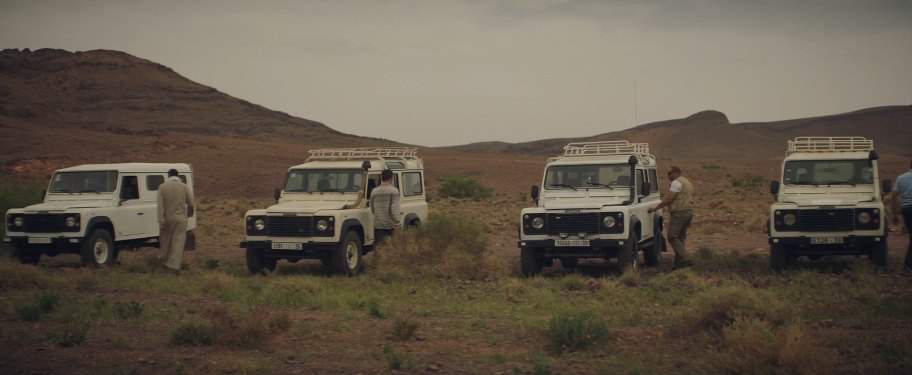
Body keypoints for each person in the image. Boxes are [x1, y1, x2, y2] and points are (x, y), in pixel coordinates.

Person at [648, 166, 694, 269]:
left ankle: (686, 257)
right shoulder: (686, 181)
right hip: (688, 211)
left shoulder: (676, 183)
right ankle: (678, 265)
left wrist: (656, 208)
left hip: (679, 212)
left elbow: (669, 198)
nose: (668, 176)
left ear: (675, 173)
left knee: (672, 236)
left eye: (669, 173)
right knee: (680, 238)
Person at [157, 169, 195, 273]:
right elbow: (191, 203)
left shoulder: (162, 187)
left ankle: (164, 260)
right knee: (178, 242)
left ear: (168, 176)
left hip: (167, 219)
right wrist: (189, 214)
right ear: (178, 176)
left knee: (165, 241)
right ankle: (173, 266)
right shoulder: (184, 186)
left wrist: (161, 219)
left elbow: (160, 205)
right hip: (180, 219)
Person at [370, 169, 401, 244]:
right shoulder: (394, 191)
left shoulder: (374, 191)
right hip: (391, 225)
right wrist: (397, 222)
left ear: (381, 177)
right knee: (394, 246)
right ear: (391, 178)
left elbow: (372, 209)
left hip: (378, 224)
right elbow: (394, 208)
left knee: (380, 247)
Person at [894, 160, 912, 271]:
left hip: (906, 210)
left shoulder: (901, 178)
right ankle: (908, 265)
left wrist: (895, 213)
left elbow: (894, 196)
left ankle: (908, 265)